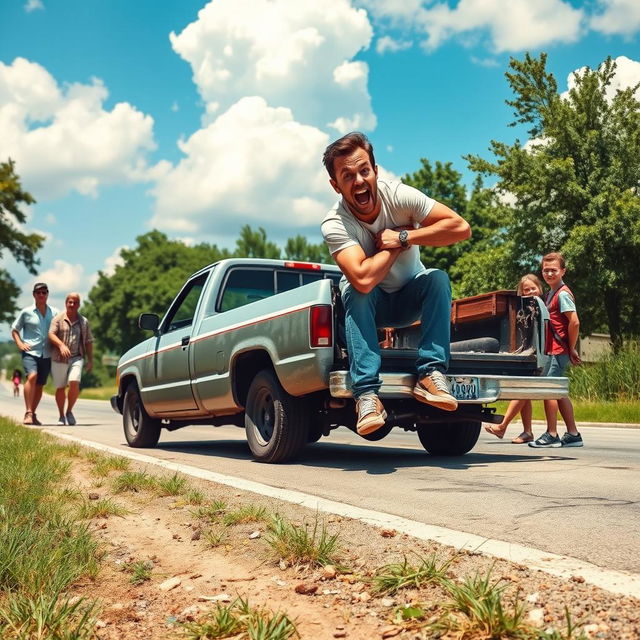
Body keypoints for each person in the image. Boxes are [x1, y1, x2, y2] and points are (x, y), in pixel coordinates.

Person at [321, 132, 471, 436]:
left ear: (376, 171)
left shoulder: (400, 196)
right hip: (370, 308)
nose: (359, 181)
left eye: (364, 170)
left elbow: (460, 227)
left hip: (409, 300)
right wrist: (393, 245)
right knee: (354, 288)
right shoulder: (335, 223)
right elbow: (363, 279)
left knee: (437, 278)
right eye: (348, 176)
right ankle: (366, 395)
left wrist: (406, 235)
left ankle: (431, 374)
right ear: (336, 186)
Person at [529, 252, 584, 448]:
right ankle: (573, 434)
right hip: (555, 349)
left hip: (557, 349)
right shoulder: (551, 293)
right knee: (559, 392)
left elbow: (574, 322)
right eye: (546, 270)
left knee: (549, 391)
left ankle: (552, 434)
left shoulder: (562, 294)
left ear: (563, 271)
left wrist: (571, 347)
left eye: (553, 270)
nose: (549, 273)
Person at [484, 273, 545, 444]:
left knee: (523, 389)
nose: (530, 292)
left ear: (539, 288)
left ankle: (503, 426)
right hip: (530, 356)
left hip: (542, 356)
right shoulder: (524, 308)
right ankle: (527, 432)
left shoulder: (542, 306)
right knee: (524, 391)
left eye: (533, 288)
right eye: (526, 290)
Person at [11, 282, 58, 425]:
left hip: (47, 353)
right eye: (39, 293)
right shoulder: (26, 312)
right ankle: (28, 412)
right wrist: (19, 343)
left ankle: (33, 412)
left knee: (40, 385)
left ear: (47, 294)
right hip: (30, 351)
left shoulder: (54, 313)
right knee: (32, 376)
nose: (42, 295)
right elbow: (15, 329)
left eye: (44, 292)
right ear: (34, 295)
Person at [48, 292, 94, 426]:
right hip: (59, 358)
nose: (72, 305)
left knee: (74, 381)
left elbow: (89, 341)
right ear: (66, 303)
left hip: (77, 357)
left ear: (79, 305)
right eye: (70, 302)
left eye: (75, 302)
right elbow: (51, 334)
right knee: (61, 387)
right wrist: (61, 345)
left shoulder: (83, 321)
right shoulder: (58, 319)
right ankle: (61, 416)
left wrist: (90, 360)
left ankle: (69, 411)